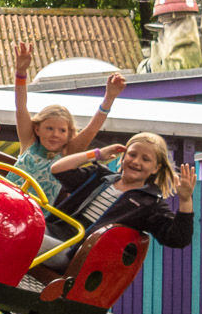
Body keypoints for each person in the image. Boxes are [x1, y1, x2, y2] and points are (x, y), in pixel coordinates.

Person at [38, 132, 196, 271]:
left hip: (76, 253)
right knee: (21, 225)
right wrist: (97, 154)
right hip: (56, 232)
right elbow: (58, 169)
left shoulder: (150, 204)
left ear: (156, 168)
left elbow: (178, 238)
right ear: (124, 156)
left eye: (145, 159)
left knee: (25, 237)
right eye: (132, 154)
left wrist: (185, 199)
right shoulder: (100, 177)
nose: (136, 161)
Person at [9, 41, 126, 202]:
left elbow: (91, 129)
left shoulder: (67, 153)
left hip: (37, 216)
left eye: (62, 130)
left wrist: (109, 98)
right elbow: (20, 106)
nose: (55, 135)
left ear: (69, 133)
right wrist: (20, 73)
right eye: (49, 128)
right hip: (8, 203)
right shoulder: (29, 141)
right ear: (37, 129)